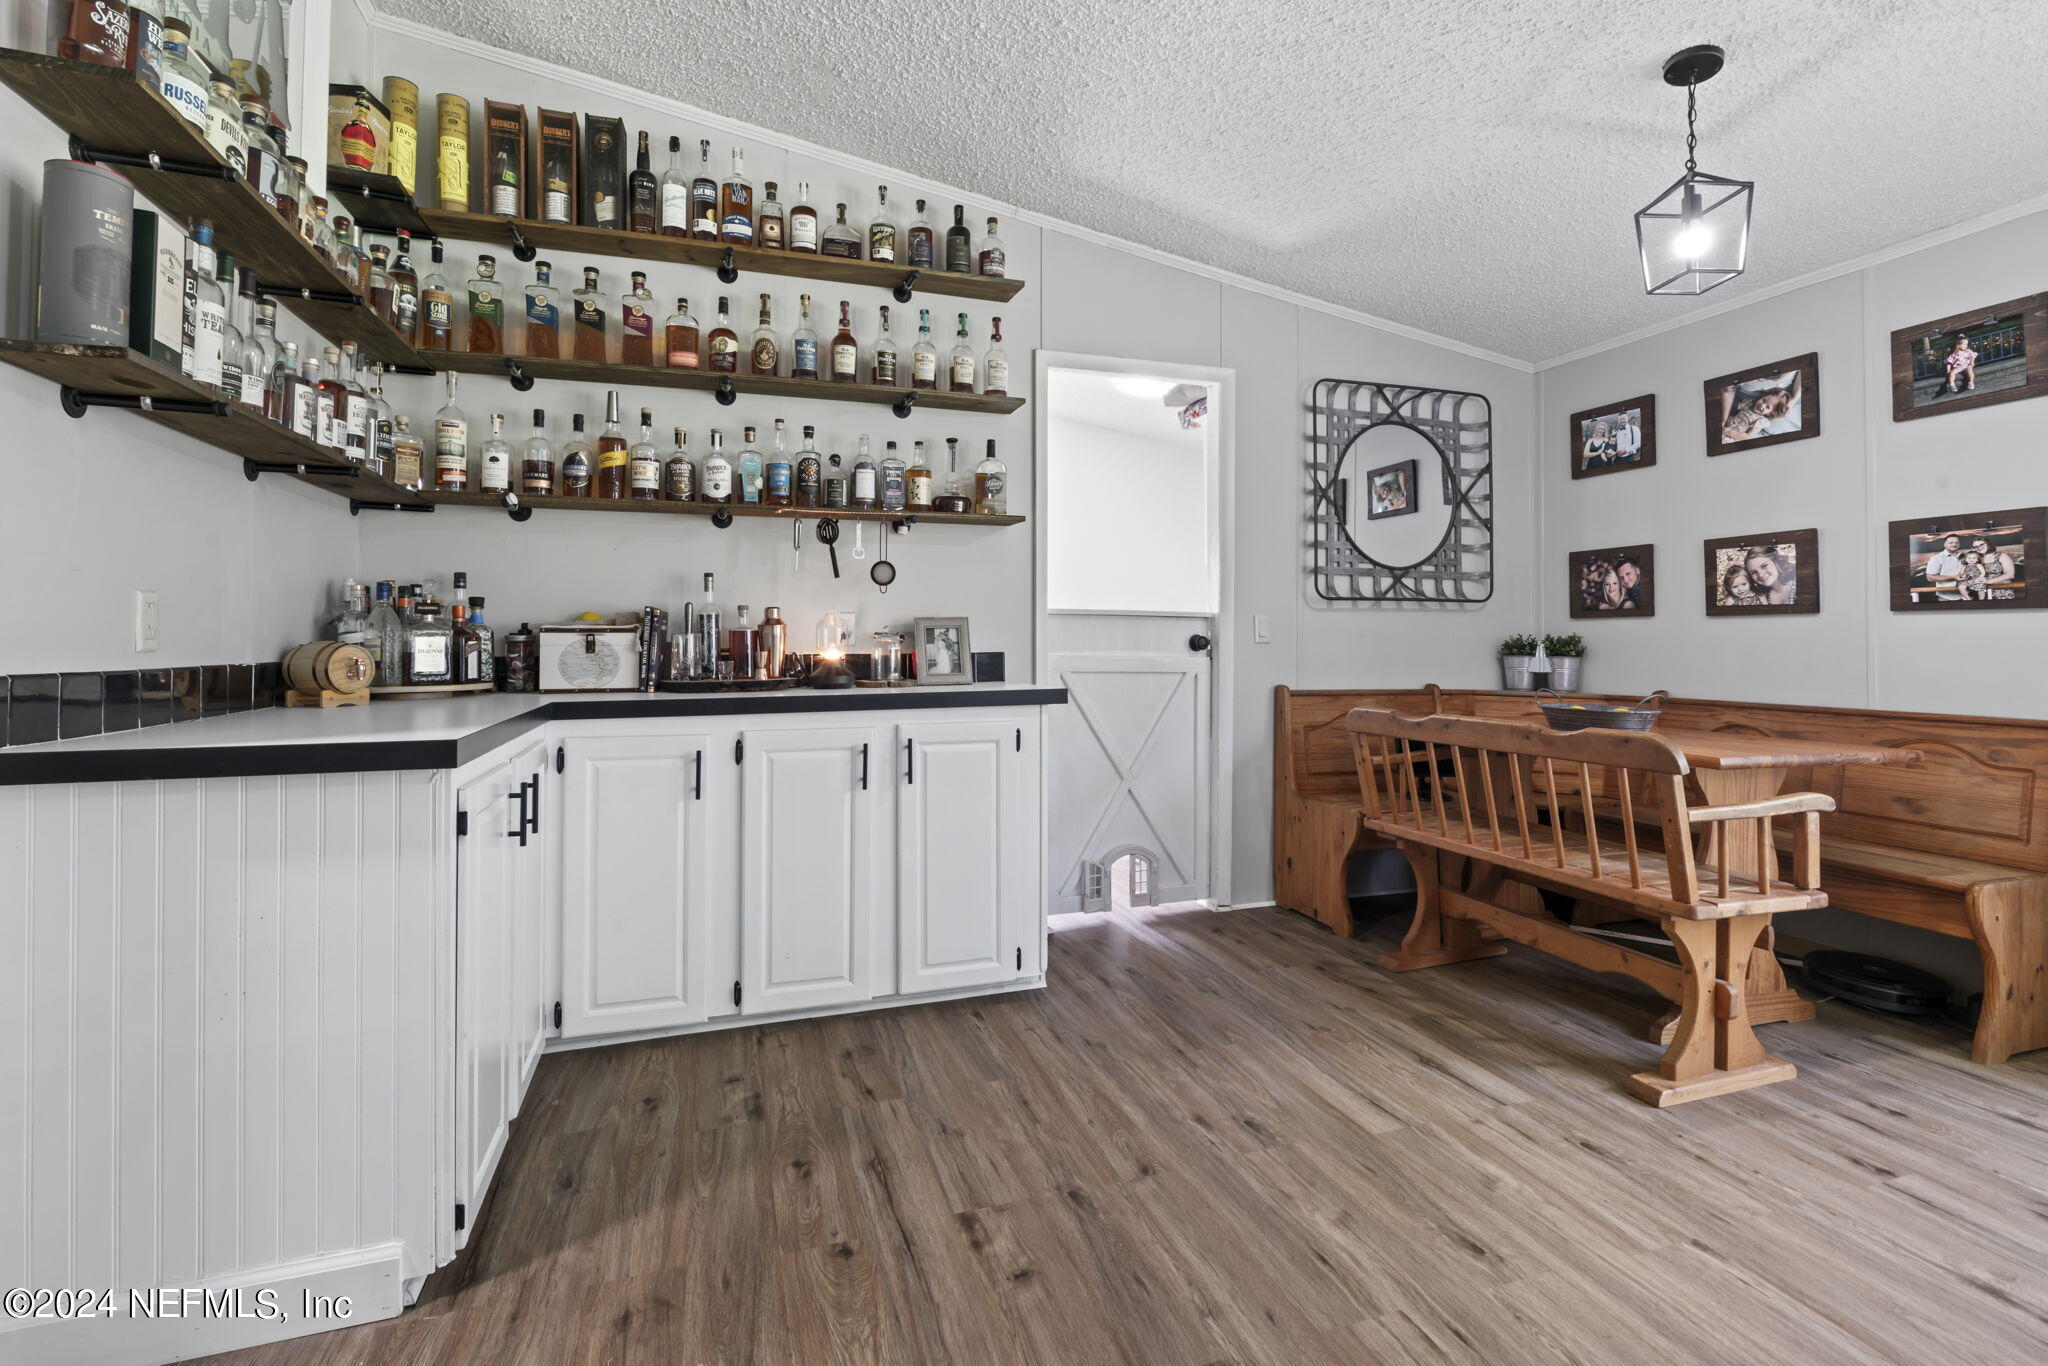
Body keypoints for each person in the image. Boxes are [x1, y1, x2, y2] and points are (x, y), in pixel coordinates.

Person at [1721, 369, 1803, 442]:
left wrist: (1729, 432)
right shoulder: (1749, 404)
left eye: (1767, 407)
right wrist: (1724, 421)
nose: (1762, 406)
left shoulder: (1760, 421)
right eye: (1763, 400)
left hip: (1731, 436)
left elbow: (1746, 438)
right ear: (1761, 396)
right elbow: (1731, 396)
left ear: (1769, 413)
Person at [1924, 533, 1968, 601]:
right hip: (1947, 597)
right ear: (1945, 544)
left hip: (1966, 595)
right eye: (1951, 542)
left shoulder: (1965, 557)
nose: (1954, 544)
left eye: (1957, 542)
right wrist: (1954, 577)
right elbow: (1930, 577)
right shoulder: (1936, 558)